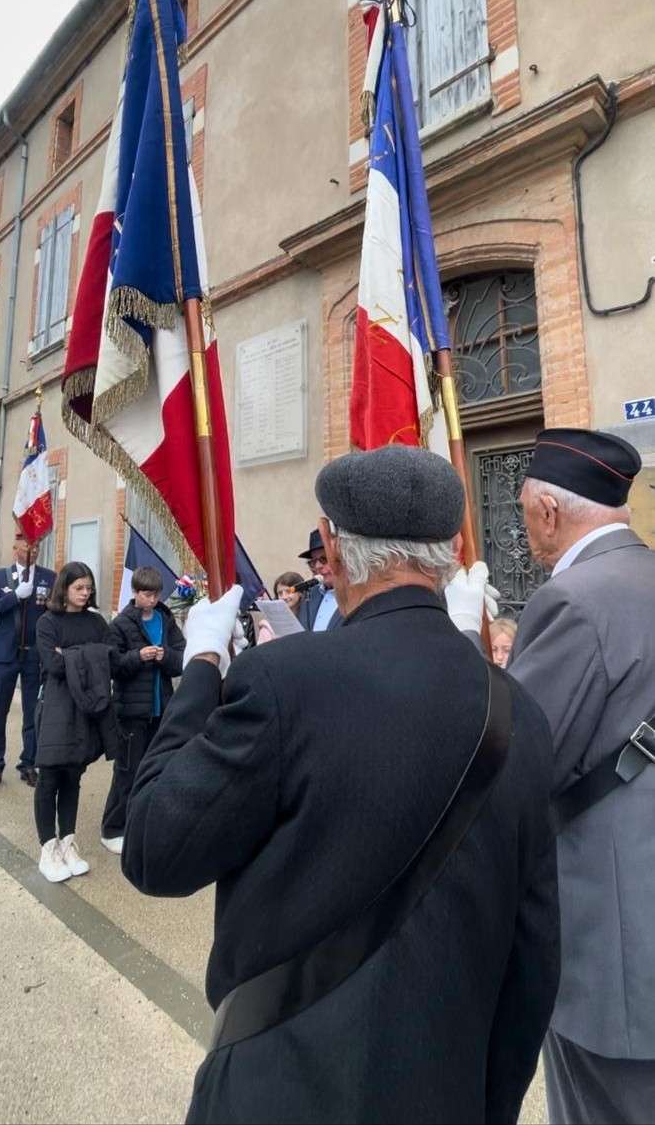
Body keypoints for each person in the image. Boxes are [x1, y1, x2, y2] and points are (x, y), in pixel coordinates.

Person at [122, 445, 559, 1125]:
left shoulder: (283, 680)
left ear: (329, 543)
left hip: (275, 1085)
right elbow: (533, 963)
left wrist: (203, 664)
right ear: (450, 546)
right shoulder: (518, 712)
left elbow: (154, 848)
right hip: (443, 1096)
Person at [447, 426, 655, 1125]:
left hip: (616, 936)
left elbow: (513, 759)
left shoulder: (570, 599)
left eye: (521, 512)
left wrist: (455, 660)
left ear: (545, 511)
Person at [34, 562, 118, 883]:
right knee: (50, 775)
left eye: (88, 588)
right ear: (64, 589)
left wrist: (70, 654)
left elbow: (108, 656)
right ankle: (48, 847)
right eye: (79, 588)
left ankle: (68, 841)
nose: (85, 594)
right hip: (57, 705)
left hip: (87, 707)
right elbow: (53, 665)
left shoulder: (97, 622)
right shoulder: (47, 622)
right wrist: (87, 655)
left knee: (73, 774)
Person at [100, 565, 185, 854]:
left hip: (161, 709)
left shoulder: (166, 619)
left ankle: (141, 824)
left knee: (155, 769)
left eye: (155, 595)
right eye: (146, 594)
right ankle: (112, 828)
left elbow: (181, 657)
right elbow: (114, 666)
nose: (151, 600)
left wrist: (165, 656)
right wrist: (138, 656)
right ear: (135, 592)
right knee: (127, 769)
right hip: (131, 712)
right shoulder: (121, 624)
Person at [0, 529, 55, 793]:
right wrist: (14, 596)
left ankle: (29, 764)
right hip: (5, 655)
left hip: (34, 655)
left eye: (36, 546)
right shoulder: (0, 576)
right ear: (16, 546)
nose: (32, 550)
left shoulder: (48, 577)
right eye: (27, 545)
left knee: (33, 712)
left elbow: (54, 613)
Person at [297, 529, 343, 631]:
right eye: (313, 562)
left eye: (324, 559)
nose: (317, 566)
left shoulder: (356, 593)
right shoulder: (311, 594)